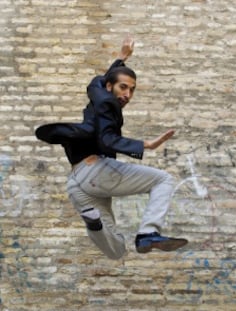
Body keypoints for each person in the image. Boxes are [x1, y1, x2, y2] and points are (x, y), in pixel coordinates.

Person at [35, 37, 188, 260]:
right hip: (96, 170)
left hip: (78, 182)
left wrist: (122, 58)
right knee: (163, 179)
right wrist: (146, 144)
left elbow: (100, 81)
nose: (127, 95)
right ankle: (148, 233)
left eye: (132, 90)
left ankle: (94, 224)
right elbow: (107, 140)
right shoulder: (109, 104)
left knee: (116, 251)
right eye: (123, 88)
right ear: (109, 87)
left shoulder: (97, 94)